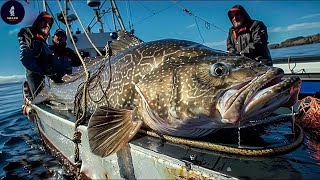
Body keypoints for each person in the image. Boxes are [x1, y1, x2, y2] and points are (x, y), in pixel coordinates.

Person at [18, 11, 54, 95]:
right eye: (44, 21)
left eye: (49, 23)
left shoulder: (44, 42)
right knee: (39, 100)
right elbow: (25, 57)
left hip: (45, 78)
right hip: (34, 75)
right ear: (38, 21)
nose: (47, 25)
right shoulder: (27, 32)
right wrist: (41, 70)